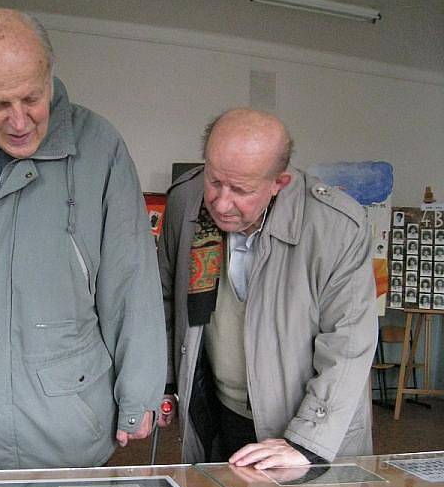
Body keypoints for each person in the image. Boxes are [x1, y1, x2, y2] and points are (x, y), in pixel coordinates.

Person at [0, 9, 166, 470]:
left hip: (65, 415)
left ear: (50, 74)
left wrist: (139, 393)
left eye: (33, 97)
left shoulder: (100, 146)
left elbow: (132, 282)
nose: (20, 120)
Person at [157, 108, 377, 468]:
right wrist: (165, 383)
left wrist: (305, 442)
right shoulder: (186, 202)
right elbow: (165, 300)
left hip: (305, 425)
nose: (221, 203)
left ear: (280, 182)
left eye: (241, 190)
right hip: (217, 413)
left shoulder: (336, 227)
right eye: (214, 181)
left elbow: (348, 344)